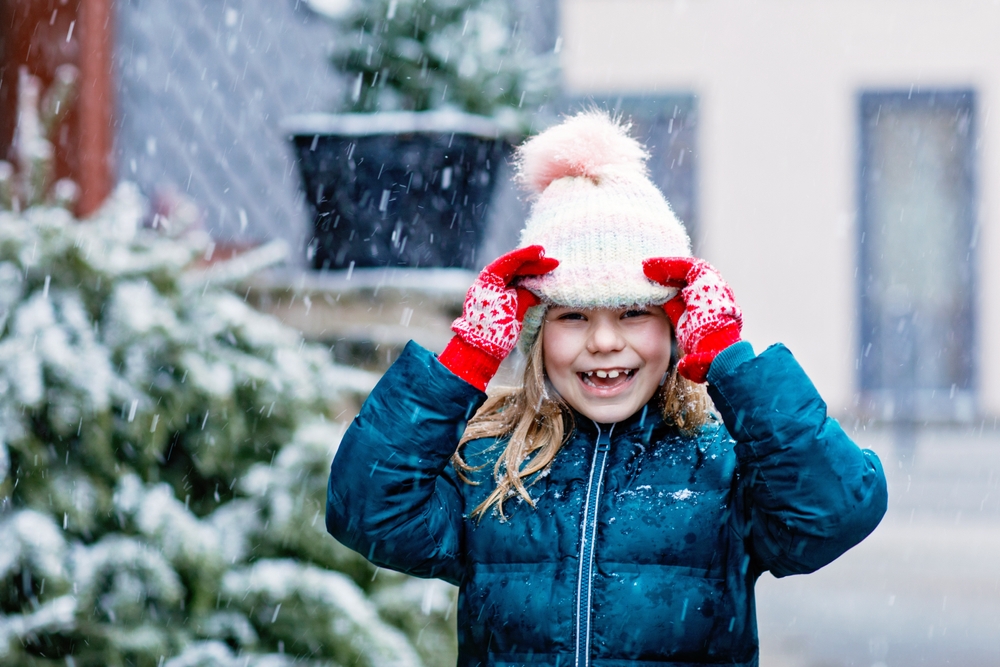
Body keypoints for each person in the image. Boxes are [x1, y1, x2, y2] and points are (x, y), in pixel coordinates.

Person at [326, 110, 888, 667]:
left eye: (633, 312)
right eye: (572, 315)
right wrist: (465, 359)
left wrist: (731, 363)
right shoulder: (491, 467)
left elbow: (836, 511)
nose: (603, 341)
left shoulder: (724, 469)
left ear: (677, 325)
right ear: (535, 332)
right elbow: (366, 512)